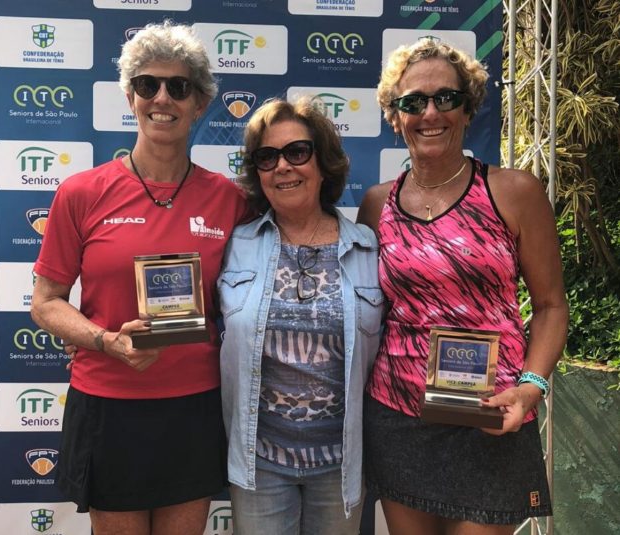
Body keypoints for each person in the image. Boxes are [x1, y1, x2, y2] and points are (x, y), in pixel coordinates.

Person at [30, 21, 250, 535]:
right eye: (148, 84)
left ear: (200, 103)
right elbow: (45, 302)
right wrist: (103, 340)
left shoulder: (231, 200)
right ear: (130, 96)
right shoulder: (81, 193)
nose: (162, 98)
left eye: (179, 87)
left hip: (194, 405)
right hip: (108, 404)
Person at [357, 39, 569, 535]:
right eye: (413, 101)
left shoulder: (514, 192)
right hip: (399, 415)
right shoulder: (376, 205)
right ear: (395, 117)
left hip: (494, 416)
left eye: (445, 98)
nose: (430, 113)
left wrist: (531, 388)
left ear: (468, 108)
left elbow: (551, 306)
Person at [217, 96, 383, 535]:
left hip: (341, 465)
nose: (282, 167)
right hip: (260, 464)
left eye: (297, 152)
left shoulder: (369, 247)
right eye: (267, 157)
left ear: (323, 163)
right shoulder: (235, 245)